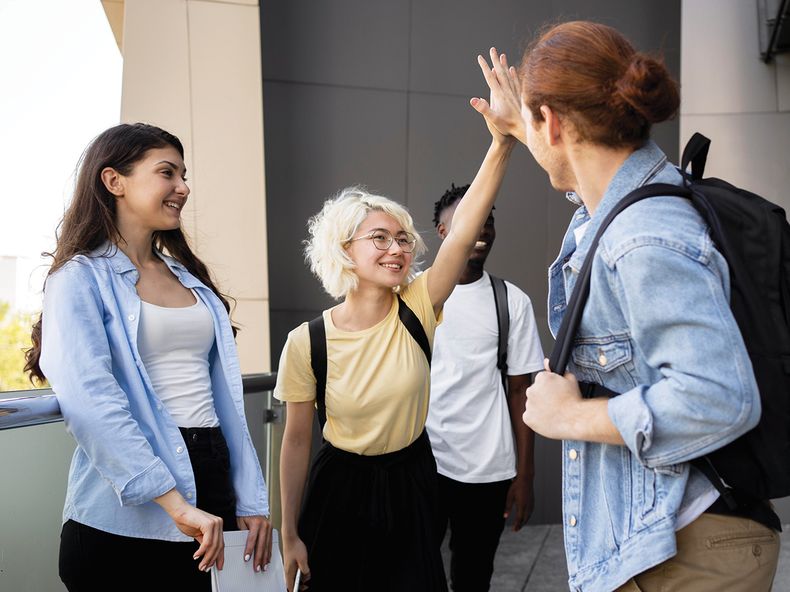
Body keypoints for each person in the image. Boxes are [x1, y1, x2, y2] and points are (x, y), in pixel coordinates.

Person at [478, 21, 781, 592]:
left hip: (685, 553)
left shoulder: (642, 236)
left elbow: (719, 397)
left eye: (537, 120)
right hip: (669, 541)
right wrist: (522, 125)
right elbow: (597, 195)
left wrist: (571, 417)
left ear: (555, 122)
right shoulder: (635, 201)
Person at [274, 51, 520, 592]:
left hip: (412, 482)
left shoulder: (419, 304)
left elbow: (461, 233)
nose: (397, 249)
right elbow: (294, 443)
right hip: (339, 489)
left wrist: (501, 143)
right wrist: (287, 532)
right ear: (344, 250)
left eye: (404, 238)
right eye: (379, 238)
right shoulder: (306, 341)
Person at [24, 123, 272, 591]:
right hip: (129, 506)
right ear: (114, 181)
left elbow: (223, 406)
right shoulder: (80, 278)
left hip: (213, 476)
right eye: (167, 172)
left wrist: (250, 498)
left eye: (183, 174)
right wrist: (173, 501)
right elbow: (91, 400)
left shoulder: (187, 277)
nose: (183, 187)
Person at [427, 183, 544, 591]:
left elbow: (521, 391)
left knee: (473, 576)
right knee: (419, 571)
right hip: (423, 463)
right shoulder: (414, 295)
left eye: (488, 219)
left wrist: (525, 474)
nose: (481, 227)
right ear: (443, 232)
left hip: (488, 469)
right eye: (468, 219)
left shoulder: (511, 301)